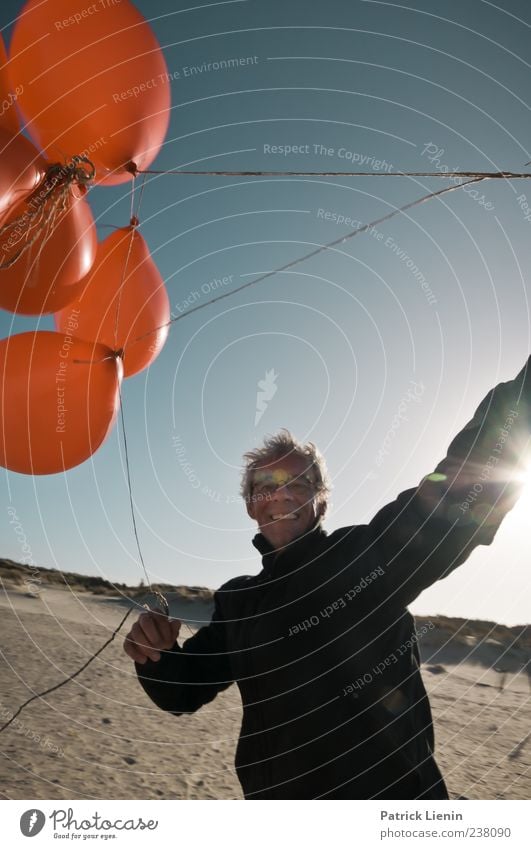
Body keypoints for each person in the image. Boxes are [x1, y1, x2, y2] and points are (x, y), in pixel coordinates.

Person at [124, 358, 531, 799]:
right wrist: (158, 657)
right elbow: (183, 691)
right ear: (250, 506)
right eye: (264, 485)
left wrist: (517, 402)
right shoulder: (238, 600)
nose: (279, 494)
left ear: (320, 501)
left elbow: (449, 509)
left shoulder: (361, 560)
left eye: (296, 483)